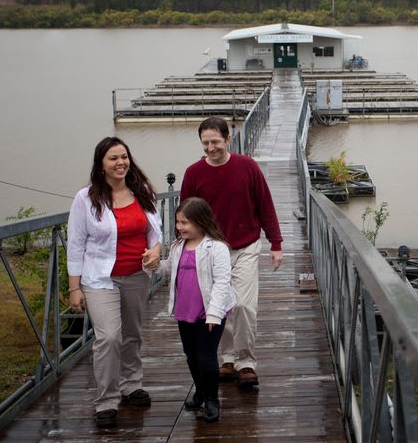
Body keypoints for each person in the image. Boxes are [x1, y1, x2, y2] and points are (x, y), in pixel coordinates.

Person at [180, 117, 283, 389]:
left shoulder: (247, 167)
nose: (210, 148)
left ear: (228, 139)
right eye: (205, 143)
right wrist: (182, 250)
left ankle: (246, 362)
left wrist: (276, 244)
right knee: (221, 306)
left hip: (245, 246)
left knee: (244, 306)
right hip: (211, 250)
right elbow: (185, 216)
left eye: (215, 142)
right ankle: (227, 358)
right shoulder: (193, 173)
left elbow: (265, 205)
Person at [67, 137, 162, 427]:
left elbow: (155, 231)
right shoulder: (85, 198)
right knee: (108, 337)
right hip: (99, 278)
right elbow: (75, 243)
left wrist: (156, 251)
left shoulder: (143, 191)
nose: (121, 163)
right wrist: (74, 288)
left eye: (124, 157)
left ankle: (131, 384)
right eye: (113, 158)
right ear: (101, 164)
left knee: (132, 333)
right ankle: (106, 399)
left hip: (136, 275)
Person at [148, 197, 236, 422]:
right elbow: (169, 269)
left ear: (201, 221)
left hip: (209, 312)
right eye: (177, 222)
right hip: (185, 310)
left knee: (206, 357)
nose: (179, 227)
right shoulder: (178, 245)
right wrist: (154, 263)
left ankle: (212, 400)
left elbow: (222, 282)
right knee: (191, 355)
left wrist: (215, 314)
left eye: (185, 222)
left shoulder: (216, 248)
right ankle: (200, 391)